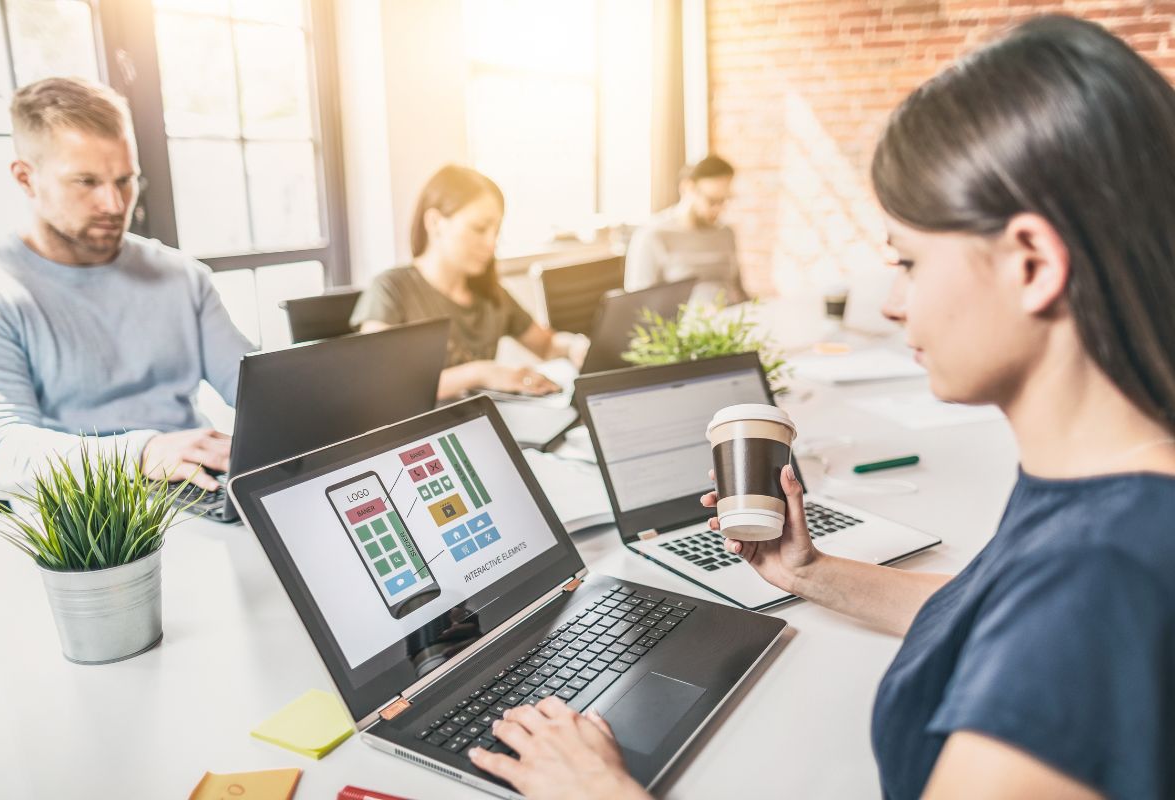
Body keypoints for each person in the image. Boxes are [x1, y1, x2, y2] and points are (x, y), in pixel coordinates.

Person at [466, 15, 1175, 800]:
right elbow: (988, 607)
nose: (897, 302)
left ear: (1033, 264)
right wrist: (809, 571)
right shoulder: (1106, 486)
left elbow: (1050, 636)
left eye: (908, 261)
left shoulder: (1102, 581)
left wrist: (597, 792)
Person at [0, 77, 253, 498]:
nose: (116, 204)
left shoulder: (183, 276)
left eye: (125, 180)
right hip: (80, 517)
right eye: (86, 182)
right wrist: (143, 452)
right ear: (26, 178)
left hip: (198, 490)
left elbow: (255, 390)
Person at [351, 165, 585, 400]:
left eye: (496, 232)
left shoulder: (491, 295)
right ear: (435, 223)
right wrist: (480, 373)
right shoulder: (390, 290)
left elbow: (546, 345)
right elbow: (379, 385)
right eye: (479, 228)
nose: (491, 243)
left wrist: (574, 345)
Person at [624, 154, 745, 306]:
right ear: (687, 188)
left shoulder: (725, 233)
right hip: (681, 327)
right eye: (712, 200)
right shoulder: (652, 235)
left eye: (724, 200)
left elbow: (739, 291)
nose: (719, 209)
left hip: (730, 323)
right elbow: (638, 306)